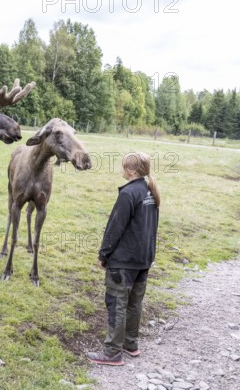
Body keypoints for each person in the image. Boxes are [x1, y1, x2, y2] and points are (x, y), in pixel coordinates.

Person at [87, 152, 160, 366]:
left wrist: (103, 254)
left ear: (132, 171)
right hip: (143, 259)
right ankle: (130, 344)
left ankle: (111, 353)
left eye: (124, 167)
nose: (122, 170)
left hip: (123, 261)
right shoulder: (150, 190)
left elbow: (114, 228)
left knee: (116, 303)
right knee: (134, 303)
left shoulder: (128, 193)